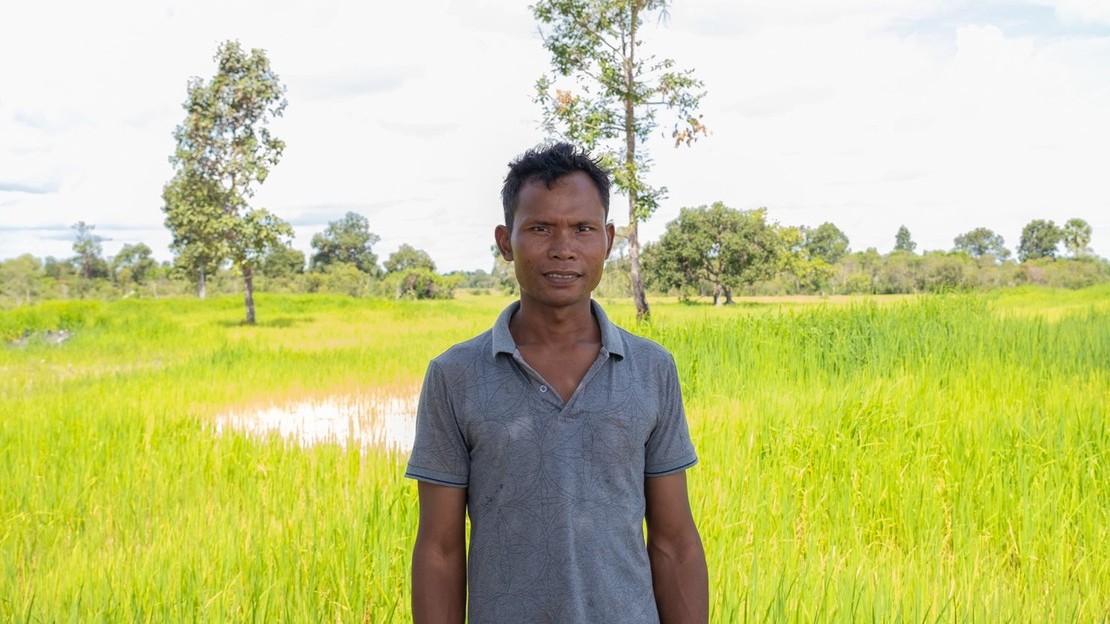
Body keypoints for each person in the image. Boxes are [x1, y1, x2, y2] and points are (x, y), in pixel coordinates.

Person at [406, 142, 708, 623]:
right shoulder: (455, 376)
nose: (563, 248)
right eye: (540, 228)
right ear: (507, 242)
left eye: (583, 229)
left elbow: (674, 542)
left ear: (608, 239)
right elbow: (440, 551)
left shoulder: (651, 369)